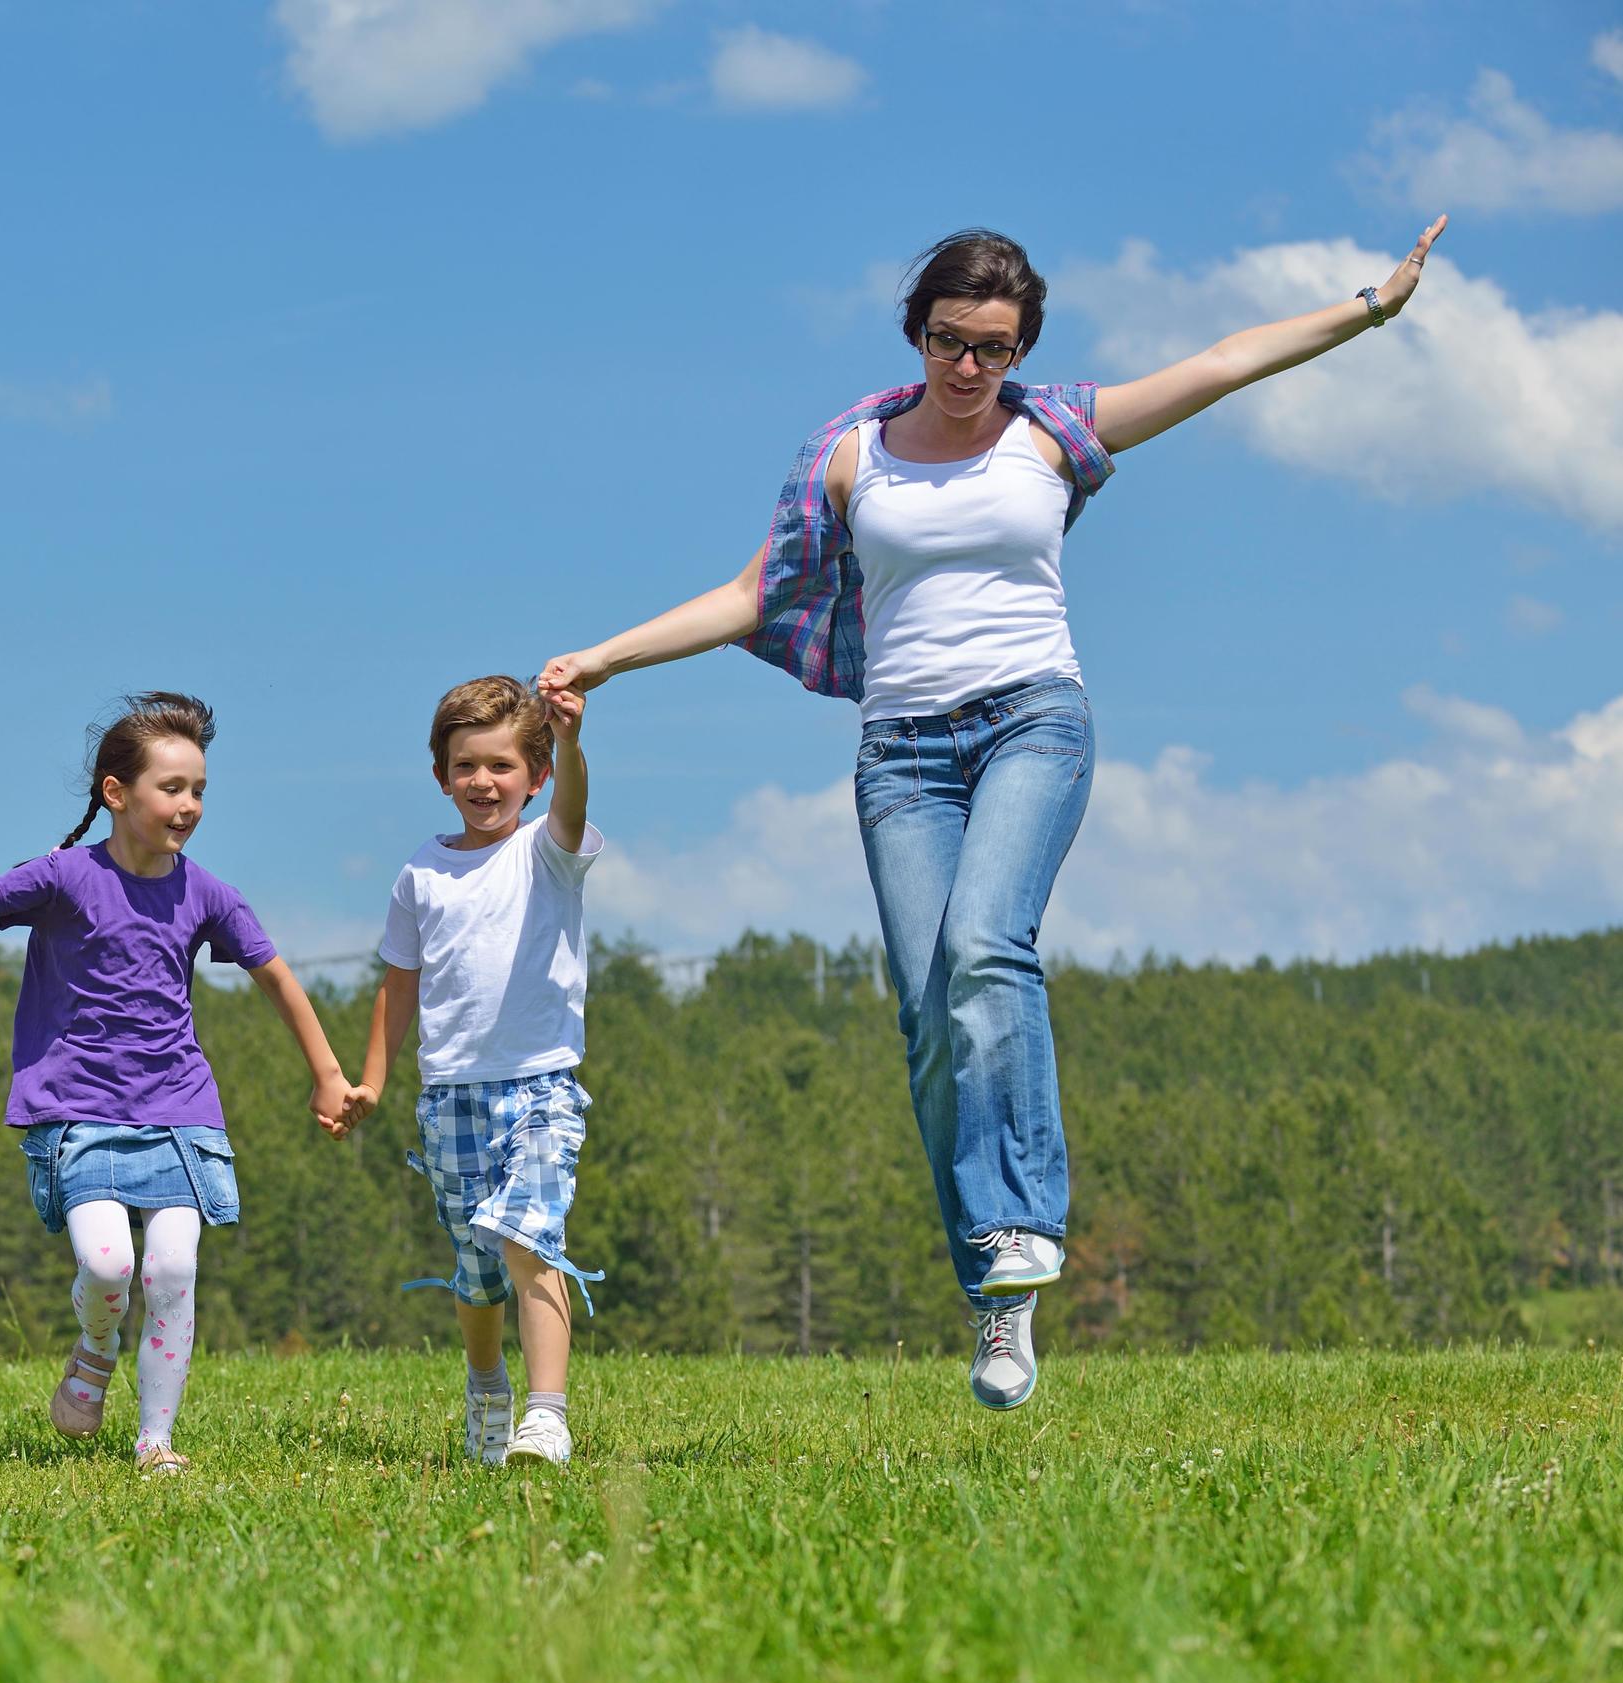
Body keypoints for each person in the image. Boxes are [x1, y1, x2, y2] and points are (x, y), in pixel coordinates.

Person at [538, 218, 1448, 1411]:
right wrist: (604, 657)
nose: (970, 370)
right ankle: (996, 1290)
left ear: (1024, 351)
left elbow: (1225, 362)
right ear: (917, 335)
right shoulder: (850, 458)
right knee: (927, 1015)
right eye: (950, 342)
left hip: (1035, 720)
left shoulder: (1053, 431)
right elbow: (756, 591)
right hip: (901, 756)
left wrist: (1368, 308)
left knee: (985, 948)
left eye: (996, 349)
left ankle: (1022, 1219)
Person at [0, 692, 355, 1472]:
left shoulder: (207, 893)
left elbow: (277, 978)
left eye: (198, 789)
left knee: (173, 1269)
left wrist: (328, 1075)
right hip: (78, 1112)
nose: (189, 804)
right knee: (108, 1266)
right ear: (115, 793)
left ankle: (155, 1442)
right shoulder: (61, 876)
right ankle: (95, 1350)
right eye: (172, 788)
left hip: (179, 1111)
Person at [345, 676, 604, 1468]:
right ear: (441, 775)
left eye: (501, 766)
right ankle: (486, 1381)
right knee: (476, 1270)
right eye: (465, 766)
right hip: (450, 1095)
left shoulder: (549, 851)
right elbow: (399, 986)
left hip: (539, 1086)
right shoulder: (419, 876)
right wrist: (371, 1083)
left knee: (529, 1240)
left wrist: (568, 737)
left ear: (536, 776)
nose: (483, 783)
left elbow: (573, 805)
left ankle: (546, 1416)